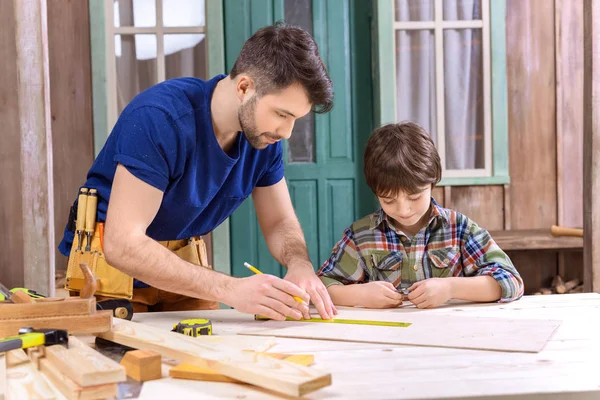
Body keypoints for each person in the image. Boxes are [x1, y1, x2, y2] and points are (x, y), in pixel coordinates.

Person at [58, 22, 338, 321]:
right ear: (244, 87)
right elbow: (122, 244)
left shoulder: (265, 137)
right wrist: (232, 289)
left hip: (184, 275)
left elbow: (280, 221)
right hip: (111, 277)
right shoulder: (159, 118)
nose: (287, 131)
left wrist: (300, 265)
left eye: (296, 118)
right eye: (282, 114)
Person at [317, 122, 524, 309]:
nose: (403, 209)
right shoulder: (362, 236)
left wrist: (450, 288)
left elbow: (511, 282)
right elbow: (320, 287)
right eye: (388, 200)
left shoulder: (458, 229)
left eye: (414, 197)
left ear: (432, 182)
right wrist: (357, 294)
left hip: (451, 338)